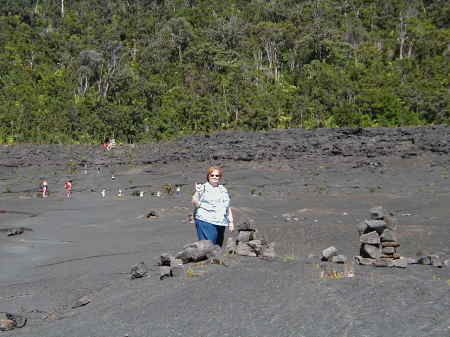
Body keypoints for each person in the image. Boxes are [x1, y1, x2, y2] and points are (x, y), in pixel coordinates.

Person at [192, 166, 234, 246]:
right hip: (206, 221)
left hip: (221, 222)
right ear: (208, 176)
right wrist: (197, 192)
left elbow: (227, 207)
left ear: (220, 177)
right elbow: (194, 201)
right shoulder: (203, 187)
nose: (214, 177)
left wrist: (231, 222)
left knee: (217, 247)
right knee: (207, 246)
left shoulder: (223, 190)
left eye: (217, 175)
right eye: (212, 175)